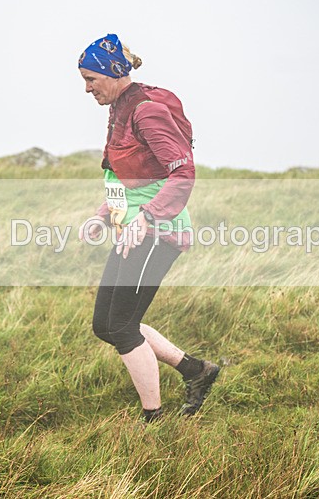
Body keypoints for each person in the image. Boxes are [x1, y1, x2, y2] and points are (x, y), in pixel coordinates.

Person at [77, 33, 220, 423]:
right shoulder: (120, 109)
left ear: (112, 72)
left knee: (122, 327)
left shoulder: (145, 110)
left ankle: (153, 421)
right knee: (106, 325)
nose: (87, 89)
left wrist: (148, 217)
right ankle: (197, 371)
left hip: (157, 232)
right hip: (133, 230)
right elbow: (132, 175)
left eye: (91, 79)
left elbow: (182, 172)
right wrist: (103, 214)